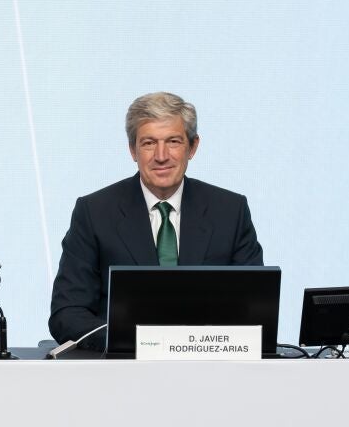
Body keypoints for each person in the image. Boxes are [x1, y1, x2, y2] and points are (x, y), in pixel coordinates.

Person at [49, 91, 263, 351]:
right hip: (124, 367)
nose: (161, 156)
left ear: (193, 147)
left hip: (208, 365)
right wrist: (139, 343)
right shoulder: (94, 212)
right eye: (149, 143)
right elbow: (67, 313)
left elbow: (254, 309)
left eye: (173, 141)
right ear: (133, 150)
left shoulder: (230, 211)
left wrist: (193, 345)